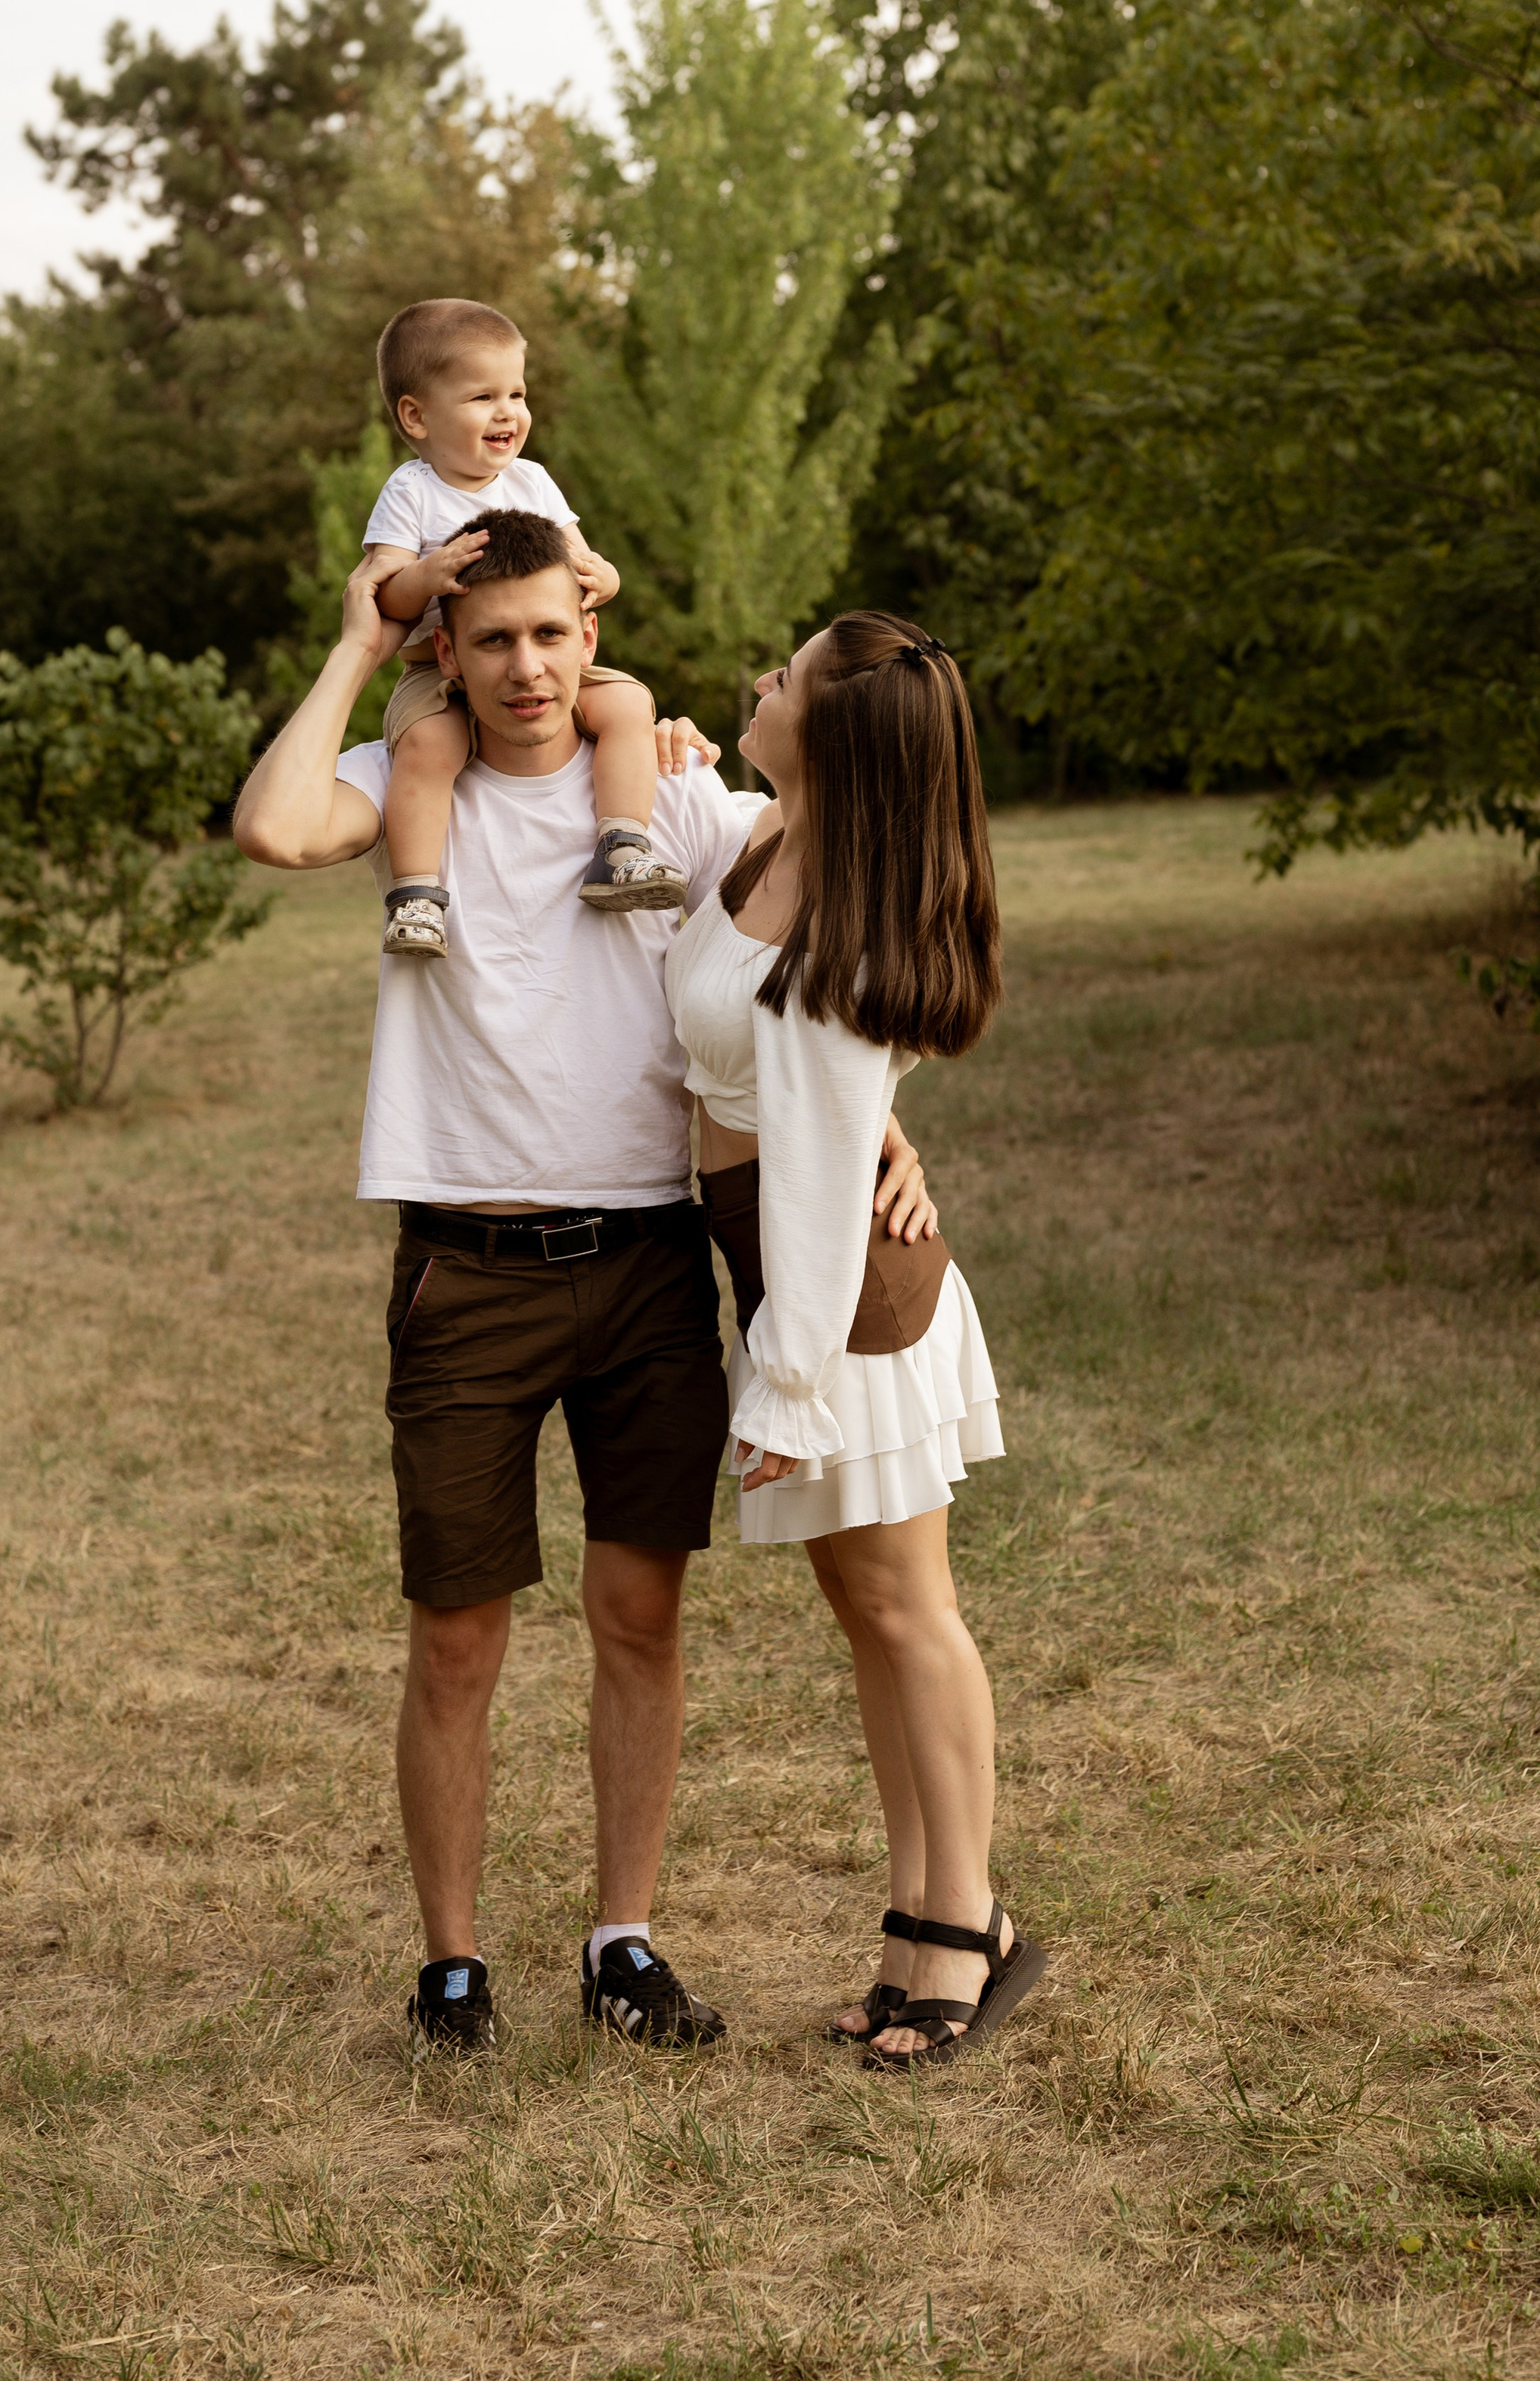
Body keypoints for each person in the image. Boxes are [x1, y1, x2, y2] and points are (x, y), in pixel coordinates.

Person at [231, 512, 933, 2057]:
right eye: (490, 639)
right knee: (456, 1636)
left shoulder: (667, 797)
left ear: (589, 638)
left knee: (638, 1614)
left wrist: (885, 1115)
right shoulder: (408, 781)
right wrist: (357, 640)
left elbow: (821, 921)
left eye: (550, 634)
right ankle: (452, 1967)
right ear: (448, 651)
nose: (525, 667)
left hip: (642, 1265)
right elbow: (273, 826)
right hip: (464, 1271)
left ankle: (624, 1941)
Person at [663, 613, 1047, 2069]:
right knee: (866, 1609)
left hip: (842, 1301)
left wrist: (789, 1383)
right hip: (784, 1269)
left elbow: (824, 1183)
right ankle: (919, 1920)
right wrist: (666, 753)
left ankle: (968, 1926)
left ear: (828, 729)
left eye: (785, 674)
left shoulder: (843, 936)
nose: (759, 680)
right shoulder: (767, 836)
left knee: (908, 1610)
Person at [358, 296, 686, 961]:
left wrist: (606, 578)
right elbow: (382, 592)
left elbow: (578, 563)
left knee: (628, 703)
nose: (508, 411)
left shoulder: (532, 481)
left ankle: (622, 843)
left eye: (517, 393)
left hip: (532, 658)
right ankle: (416, 896)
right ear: (417, 416)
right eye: (483, 397)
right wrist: (426, 574)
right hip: (437, 669)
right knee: (427, 746)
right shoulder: (413, 491)